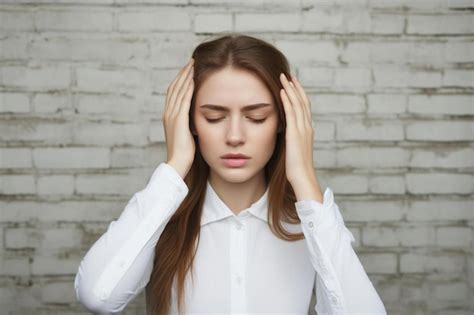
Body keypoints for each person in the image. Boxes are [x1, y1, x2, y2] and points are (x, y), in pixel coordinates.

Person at [74, 33, 387, 315]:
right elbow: (98, 297)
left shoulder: (310, 225)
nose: (234, 136)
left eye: (256, 117)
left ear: (282, 121)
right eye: (213, 117)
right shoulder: (160, 218)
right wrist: (176, 163)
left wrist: (305, 178)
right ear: (188, 122)